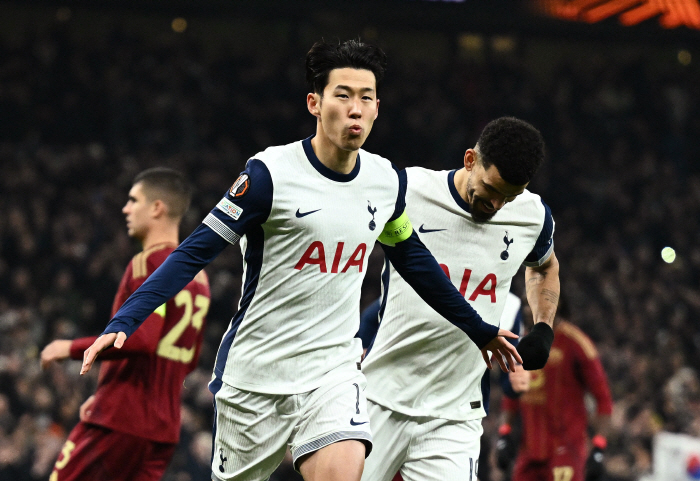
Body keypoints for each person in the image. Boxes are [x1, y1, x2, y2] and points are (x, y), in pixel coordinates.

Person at [79, 40, 528, 481]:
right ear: (314, 103)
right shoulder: (269, 175)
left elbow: (415, 262)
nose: (356, 108)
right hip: (256, 377)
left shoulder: (384, 181)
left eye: (366, 98)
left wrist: (480, 329)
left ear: (377, 109)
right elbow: (193, 251)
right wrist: (124, 320)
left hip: (332, 373)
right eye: (343, 95)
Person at [358, 116, 560, 481]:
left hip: (455, 415)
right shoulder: (409, 190)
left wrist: (543, 327)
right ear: (470, 160)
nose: (497, 204)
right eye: (490, 188)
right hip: (379, 396)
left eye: (509, 196)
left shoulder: (532, 215)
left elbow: (544, 267)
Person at [40, 167, 211, 481]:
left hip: (121, 420)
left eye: (134, 200)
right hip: (163, 430)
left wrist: (69, 347)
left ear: (156, 207)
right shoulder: (199, 278)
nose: (126, 208)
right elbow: (189, 360)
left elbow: (140, 339)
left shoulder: (149, 263)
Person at [496, 300, 613, 481]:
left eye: (531, 302)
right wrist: (504, 434)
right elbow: (512, 395)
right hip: (528, 452)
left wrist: (599, 447)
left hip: (566, 452)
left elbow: (603, 399)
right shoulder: (521, 343)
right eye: (525, 303)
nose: (527, 309)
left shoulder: (576, 343)